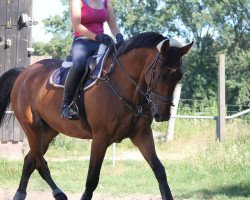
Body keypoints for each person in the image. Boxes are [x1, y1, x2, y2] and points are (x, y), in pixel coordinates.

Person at [60, 0, 124, 120]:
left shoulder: (105, 2)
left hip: (102, 42)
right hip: (82, 41)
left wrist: (119, 36)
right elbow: (77, 25)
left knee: (119, 64)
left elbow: (113, 25)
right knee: (79, 64)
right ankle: (66, 105)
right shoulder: (77, 1)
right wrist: (96, 36)